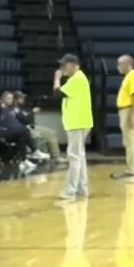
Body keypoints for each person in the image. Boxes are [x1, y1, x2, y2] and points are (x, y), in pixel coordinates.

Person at [53, 54, 93, 200]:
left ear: (73, 65)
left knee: (74, 157)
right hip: (79, 122)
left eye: (64, 65)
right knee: (80, 156)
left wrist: (57, 78)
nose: (62, 68)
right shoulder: (77, 79)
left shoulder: (77, 79)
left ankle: (70, 190)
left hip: (78, 123)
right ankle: (82, 188)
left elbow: (57, 94)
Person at [113, 55, 134, 179]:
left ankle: (131, 170)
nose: (118, 67)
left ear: (127, 64)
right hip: (127, 110)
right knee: (131, 141)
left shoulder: (133, 75)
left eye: (120, 64)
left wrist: (132, 115)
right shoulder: (129, 77)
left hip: (129, 110)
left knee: (130, 141)